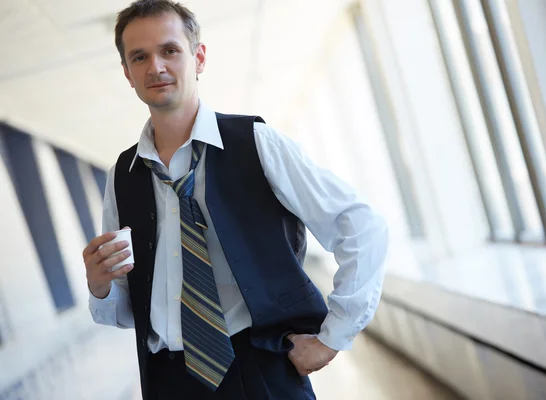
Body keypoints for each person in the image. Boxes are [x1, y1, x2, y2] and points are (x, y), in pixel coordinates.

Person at [83, 0, 388, 399]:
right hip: (168, 381)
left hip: (261, 370)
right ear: (127, 73)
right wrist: (99, 285)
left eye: (169, 50)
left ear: (199, 57)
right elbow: (123, 310)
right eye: (139, 56)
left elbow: (362, 225)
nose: (155, 66)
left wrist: (333, 337)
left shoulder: (256, 143)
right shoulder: (122, 175)